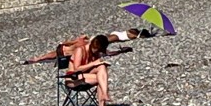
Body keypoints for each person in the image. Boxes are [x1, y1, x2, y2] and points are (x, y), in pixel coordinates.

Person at [24, 29, 152, 64]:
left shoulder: (82, 43)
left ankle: (35, 59)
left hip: (63, 50)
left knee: (48, 55)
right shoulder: (87, 46)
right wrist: (120, 52)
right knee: (50, 55)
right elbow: (107, 52)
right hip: (65, 52)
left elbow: (67, 42)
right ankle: (35, 59)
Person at [68, 35, 113, 106]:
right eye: (97, 50)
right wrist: (94, 63)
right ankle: (102, 105)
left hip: (85, 76)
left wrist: (100, 63)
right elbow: (76, 69)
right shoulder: (80, 50)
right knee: (100, 79)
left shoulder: (95, 53)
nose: (97, 52)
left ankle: (104, 95)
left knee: (102, 67)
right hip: (73, 78)